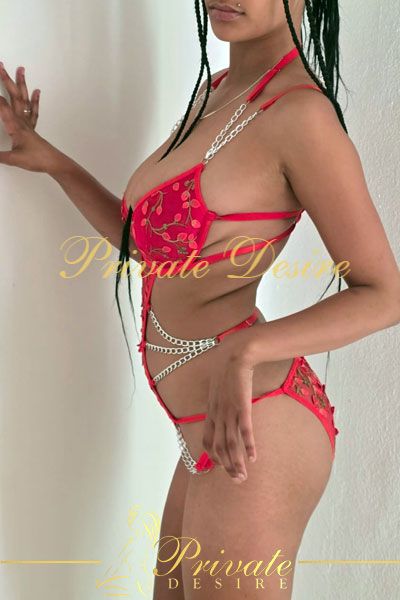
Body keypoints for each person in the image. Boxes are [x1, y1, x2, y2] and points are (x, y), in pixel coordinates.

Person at [0, 1, 399, 598]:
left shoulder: (301, 116)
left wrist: (247, 348)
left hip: (259, 426)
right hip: (206, 428)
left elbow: (384, 293)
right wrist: (54, 162)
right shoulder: (217, 92)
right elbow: (153, 246)